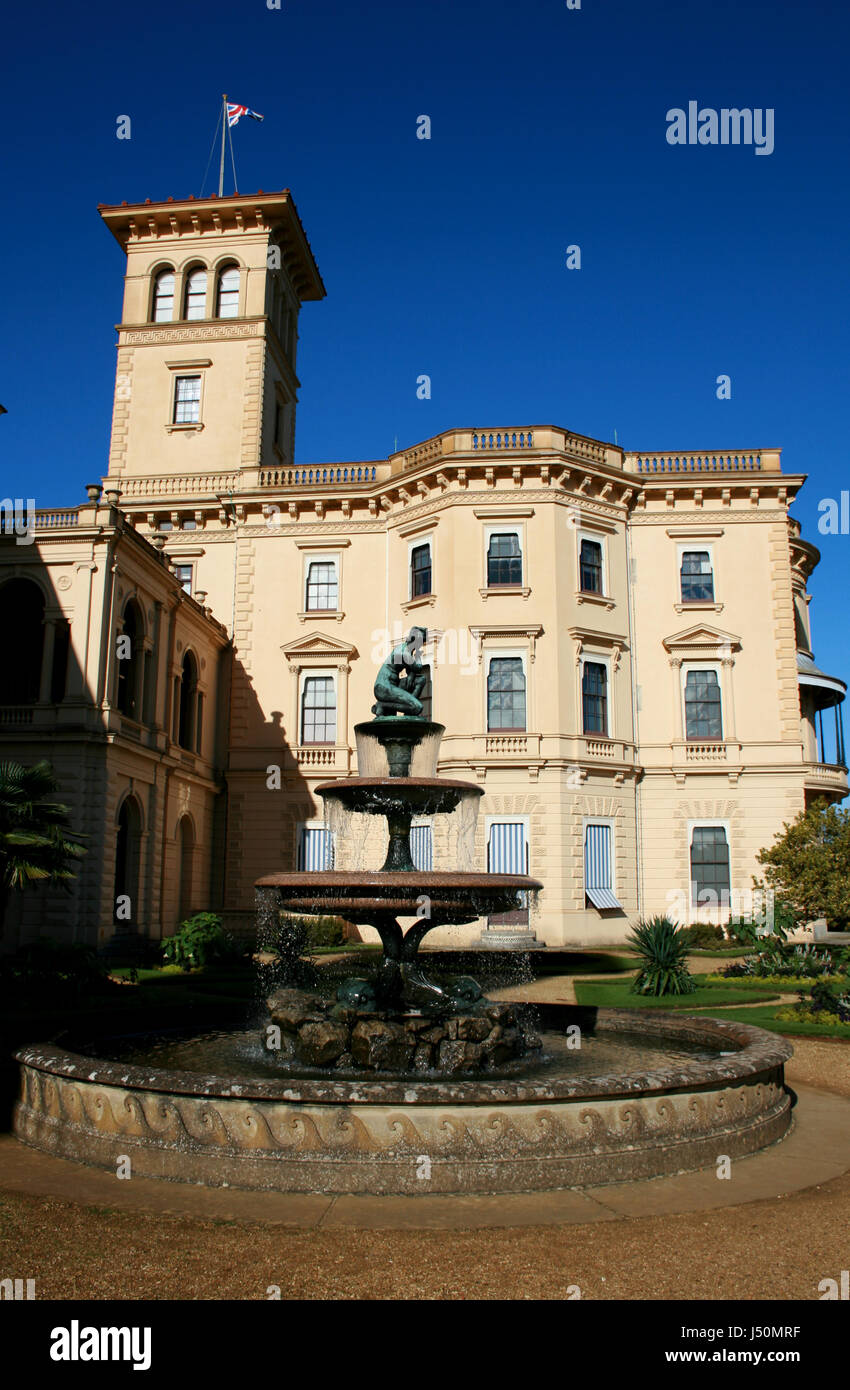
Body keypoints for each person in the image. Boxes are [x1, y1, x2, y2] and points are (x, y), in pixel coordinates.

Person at [372, 626, 429, 716]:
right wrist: (417, 655)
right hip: (383, 687)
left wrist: (411, 675)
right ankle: (383, 705)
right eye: (420, 642)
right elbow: (418, 668)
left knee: (421, 680)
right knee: (418, 707)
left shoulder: (406, 650)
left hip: (394, 685)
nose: (421, 645)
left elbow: (412, 669)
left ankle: (408, 710)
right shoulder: (403, 653)